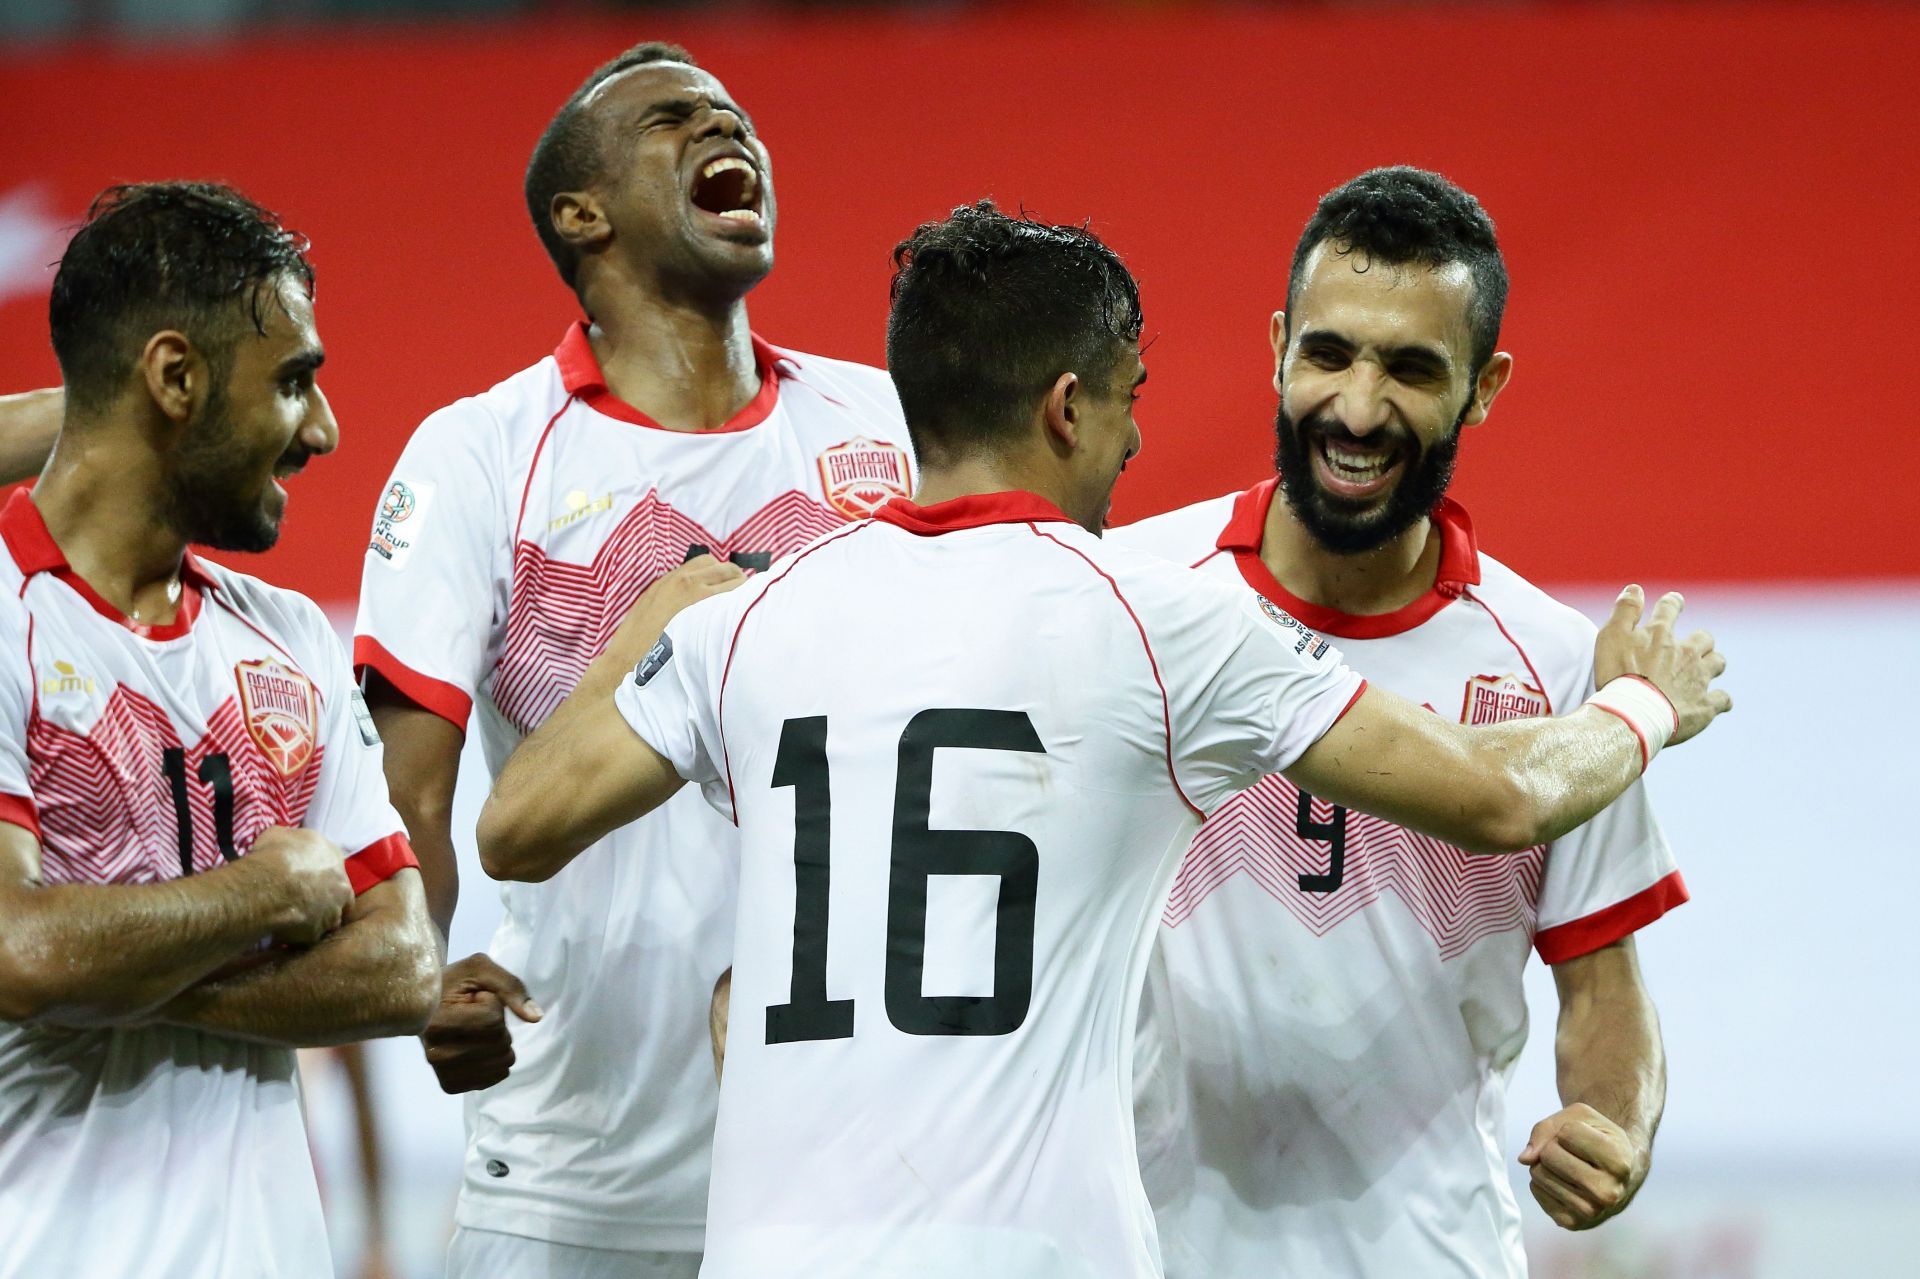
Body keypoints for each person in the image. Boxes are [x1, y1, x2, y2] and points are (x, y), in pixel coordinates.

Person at [475, 200, 1730, 1279]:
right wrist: (1645, 706)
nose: (1139, 440)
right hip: (1053, 1246)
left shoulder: (757, 619)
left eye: (1408, 368)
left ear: (1479, 384)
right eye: (1132, 403)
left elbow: (516, 830)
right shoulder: (1151, 610)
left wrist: (657, 622)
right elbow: (1496, 799)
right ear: (1072, 406)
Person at [350, 41, 911, 1278]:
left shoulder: (889, 428)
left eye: (737, 115)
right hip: (575, 1174)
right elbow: (408, 794)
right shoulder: (480, 454)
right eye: (675, 119)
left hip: (855, 1157)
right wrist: (418, 968)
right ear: (581, 212)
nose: (728, 129)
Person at [1115, 166, 1690, 1276]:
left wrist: (1615, 1125)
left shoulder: (1556, 663)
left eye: (1413, 368)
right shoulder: (1132, 597)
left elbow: (1600, 980)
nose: (1360, 408)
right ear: (1278, 344)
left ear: (1484, 386)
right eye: (1330, 353)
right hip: (1145, 1250)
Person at [0, 181, 438, 1278]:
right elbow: (18, 950)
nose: (326, 430)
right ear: (175, 378)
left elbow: (400, 967)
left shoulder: (286, 637)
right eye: (294, 381)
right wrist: (264, 899)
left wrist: (111, 982)